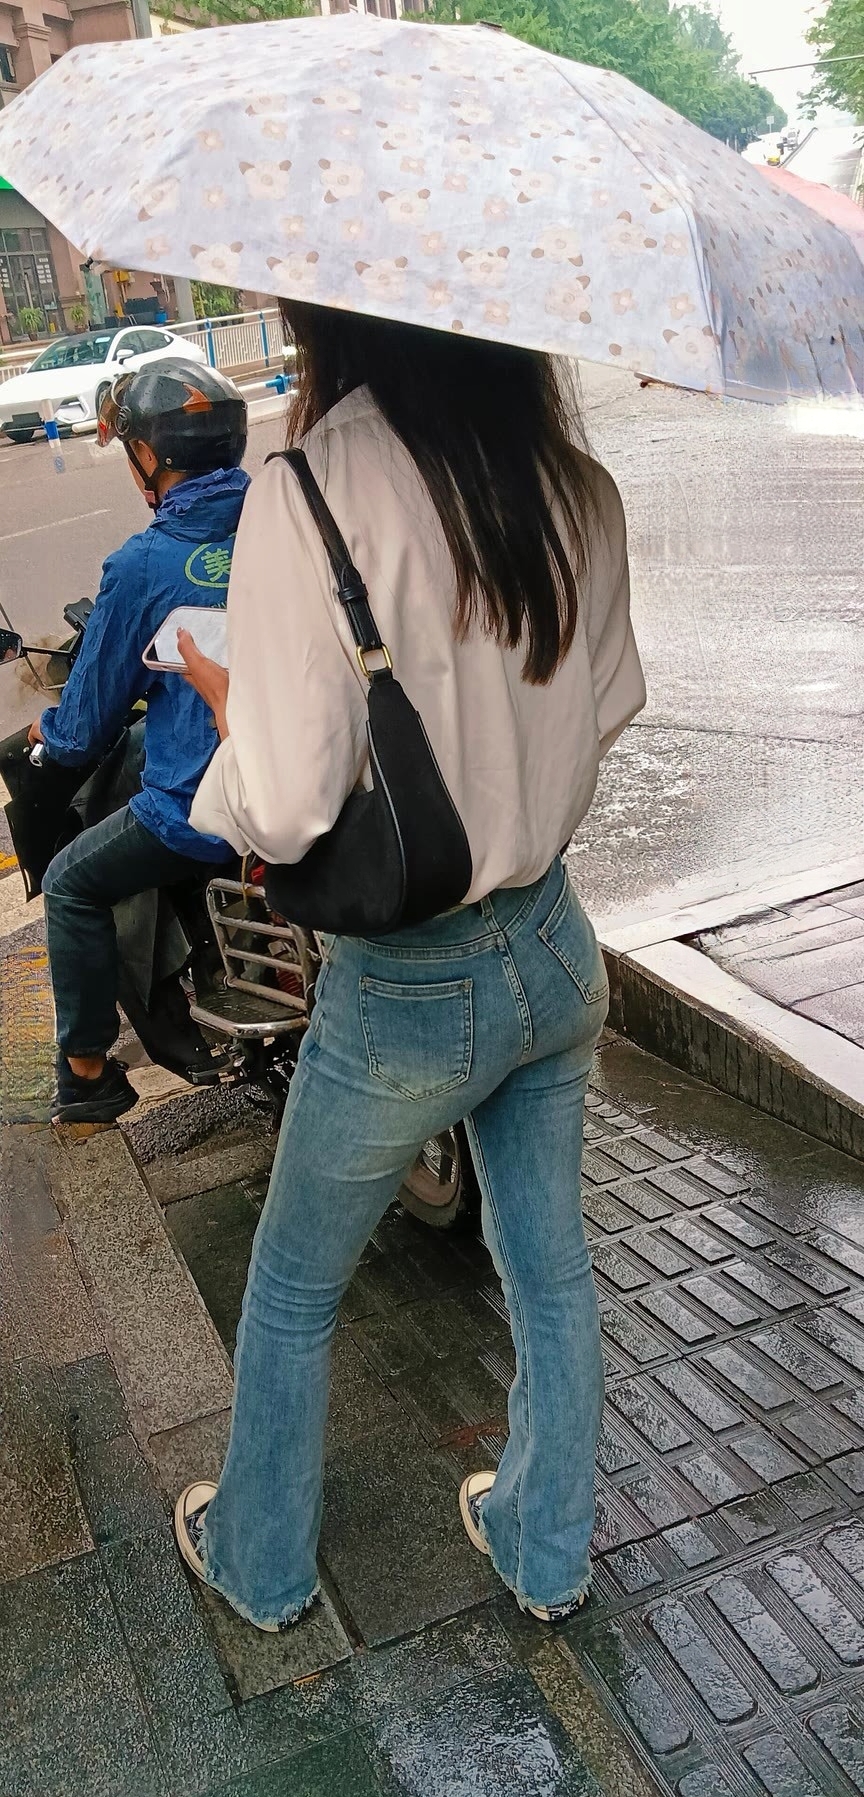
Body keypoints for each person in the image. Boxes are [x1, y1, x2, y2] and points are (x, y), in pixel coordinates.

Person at [174, 306, 645, 1632]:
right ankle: (544, 1550)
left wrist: (232, 718)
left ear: (332, 312)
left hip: (408, 985)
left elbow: (285, 807)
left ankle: (260, 1564)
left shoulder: (312, 491)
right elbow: (610, 701)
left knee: (294, 1286)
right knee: (549, 1268)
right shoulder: (574, 482)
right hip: (552, 941)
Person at [33, 360, 249, 1123]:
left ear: (149, 456)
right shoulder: (291, 525)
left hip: (201, 808)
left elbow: (84, 727)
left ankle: (88, 1074)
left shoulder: (142, 564)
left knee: (70, 882)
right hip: (312, 777)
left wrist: (47, 736)